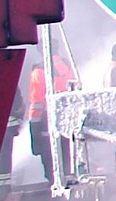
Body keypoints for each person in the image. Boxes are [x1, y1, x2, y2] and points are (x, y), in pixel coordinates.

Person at [25, 52, 77, 187]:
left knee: (50, 158)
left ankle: (57, 187)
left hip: (46, 122)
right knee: (68, 156)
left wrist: (34, 127)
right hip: (68, 119)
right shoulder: (68, 67)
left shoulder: (40, 71)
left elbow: (37, 102)